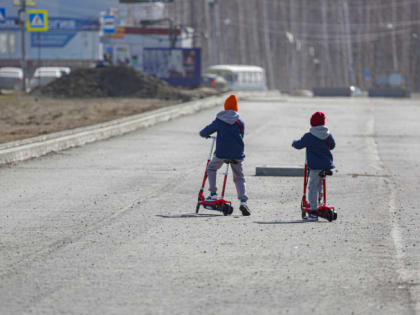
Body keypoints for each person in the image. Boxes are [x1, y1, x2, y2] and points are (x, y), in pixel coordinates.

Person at [199, 94, 251, 216]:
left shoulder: (219, 120)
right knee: (239, 176)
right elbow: (241, 136)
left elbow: (204, 132)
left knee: (211, 168)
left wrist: (205, 134)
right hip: (237, 153)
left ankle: (213, 194)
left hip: (222, 153)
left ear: (225, 107)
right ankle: (243, 202)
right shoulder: (240, 122)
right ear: (235, 108)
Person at [292, 111, 335, 221]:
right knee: (319, 183)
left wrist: (293, 142)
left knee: (311, 187)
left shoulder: (309, 135)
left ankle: (313, 212)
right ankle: (319, 201)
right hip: (326, 166)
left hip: (315, 166)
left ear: (312, 123)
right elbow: (332, 145)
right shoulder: (327, 135)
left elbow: (299, 145)